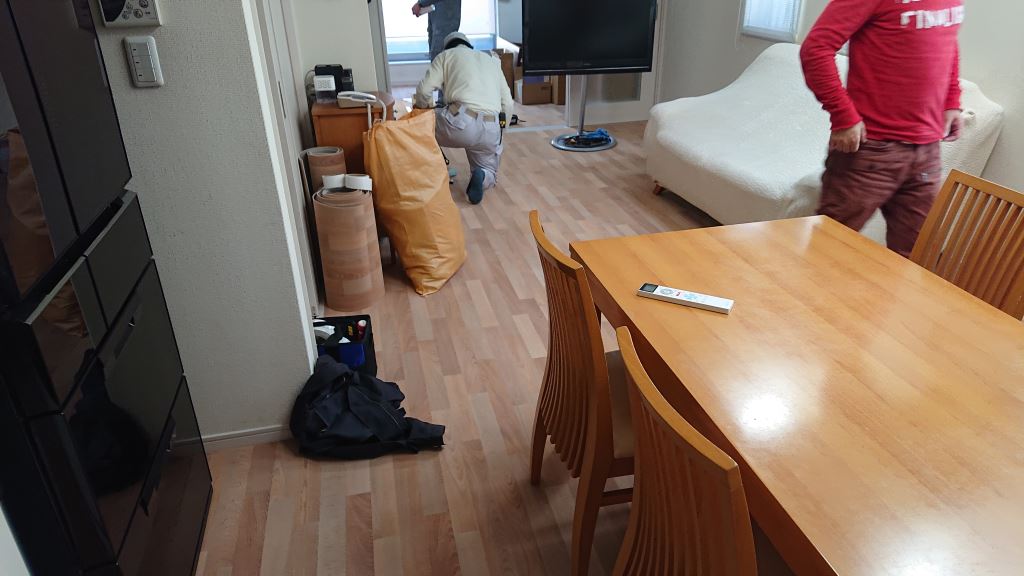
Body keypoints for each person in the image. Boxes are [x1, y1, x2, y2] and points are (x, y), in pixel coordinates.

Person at [800, 1, 964, 257]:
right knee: (828, 252)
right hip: (870, 149)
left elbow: (947, 37)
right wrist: (843, 115)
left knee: (917, 260)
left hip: (927, 150)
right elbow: (816, 49)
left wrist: (952, 100)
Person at [415, 32, 514, 205]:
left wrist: (422, 111)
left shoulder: (445, 56)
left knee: (417, 127)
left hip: (460, 122)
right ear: (469, 46)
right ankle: (481, 176)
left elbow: (424, 91)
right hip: (491, 126)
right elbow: (508, 103)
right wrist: (500, 132)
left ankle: (430, 176)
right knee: (489, 171)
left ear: (447, 47)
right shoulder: (491, 61)